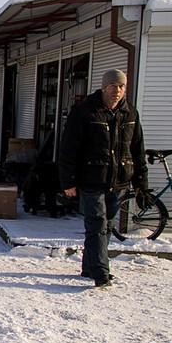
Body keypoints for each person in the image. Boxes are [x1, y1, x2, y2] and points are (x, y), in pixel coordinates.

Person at [58, 69, 148, 288]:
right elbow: (69, 148)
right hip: (91, 178)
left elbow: (137, 150)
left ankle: (89, 267)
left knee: (106, 225)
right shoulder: (85, 112)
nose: (117, 91)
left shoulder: (130, 114)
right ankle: (101, 272)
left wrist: (141, 185)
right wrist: (68, 181)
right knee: (97, 223)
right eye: (112, 87)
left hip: (118, 181)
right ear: (104, 87)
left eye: (121, 87)